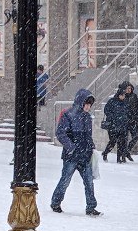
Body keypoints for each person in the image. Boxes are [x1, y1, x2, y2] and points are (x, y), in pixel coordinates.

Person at [50, 88, 100, 216]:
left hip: (85, 155)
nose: (89, 107)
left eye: (90, 104)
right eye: (87, 104)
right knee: (65, 180)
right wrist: (71, 148)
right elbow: (60, 133)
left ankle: (91, 207)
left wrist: (91, 146)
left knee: (89, 182)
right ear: (81, 102)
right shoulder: (68, 115)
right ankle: (55, 202)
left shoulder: (87, 117)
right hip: (71, 156)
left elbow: (88, 135)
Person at [100, 85, 132, 164]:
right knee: (113, 141)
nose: (123, 96)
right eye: (122, 95)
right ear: (118, 95)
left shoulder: (125, 103)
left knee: (121, 142)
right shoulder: (112, 101)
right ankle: (105, 153)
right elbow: (106, 110)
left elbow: (128, 113)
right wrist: (112, 117)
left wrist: (127, 120)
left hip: (122, 126)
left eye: (124, 95)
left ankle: (119, 158)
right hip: (112, 126)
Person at [121, 81, 138, 160]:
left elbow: (137, 108)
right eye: (127, 88)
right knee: (124, 139)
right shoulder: (122, 96)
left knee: (135, 136)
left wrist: (136, 118)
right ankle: (125, 154)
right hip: (124, 121)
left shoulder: (134, 96)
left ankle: (127, 151)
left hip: (133, 120)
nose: (129, 90)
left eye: (130, 88)